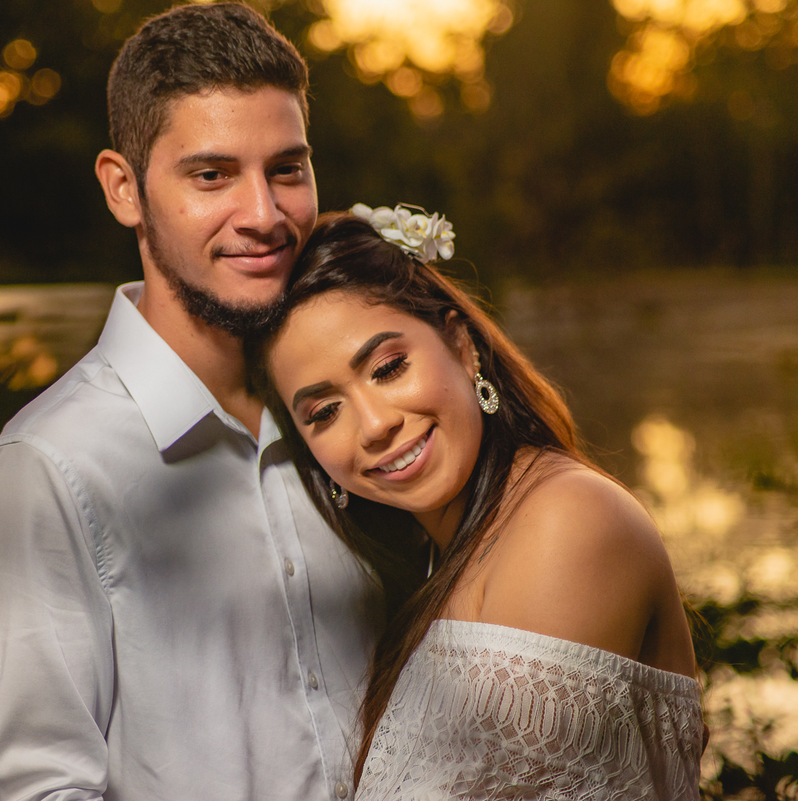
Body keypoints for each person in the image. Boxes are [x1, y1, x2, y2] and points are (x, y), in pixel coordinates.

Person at [0, 6, 382, 800]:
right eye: (212, 175)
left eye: (287, 169)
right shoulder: (48, 469)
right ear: (125, 189)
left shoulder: (358, 420)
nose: (264, 214)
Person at [252, 208, 705, 799]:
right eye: (324, 412)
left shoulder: (566, 520)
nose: (375, 424)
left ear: (462, 347)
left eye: (389, 368)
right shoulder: (432, 567)